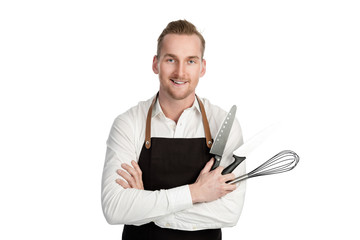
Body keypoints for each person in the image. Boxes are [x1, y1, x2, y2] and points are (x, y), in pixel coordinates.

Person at [101, 19, 246, 240]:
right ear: (155, 64)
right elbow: (114, 207)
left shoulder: (223, 125)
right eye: (171, 59)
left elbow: (229, 213)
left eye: (190, 61)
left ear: (202, 67)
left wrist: (145, 209)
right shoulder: (129, 123)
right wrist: (196, 193)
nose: (180, 72)